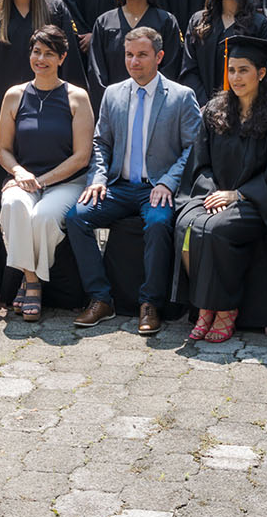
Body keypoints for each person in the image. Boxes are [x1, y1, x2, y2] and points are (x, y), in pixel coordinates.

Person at [67, 27, 202, 335]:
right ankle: (101, 299)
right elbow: (101, 143)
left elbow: (193, 148)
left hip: (156, 189)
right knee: (76, 218)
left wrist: (168, 182)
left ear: (159, 56)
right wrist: (98, 178)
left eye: (142, 55)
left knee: (157, 224)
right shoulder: (113, 94)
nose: (134, 62)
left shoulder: (181, 97)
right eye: (129, 55)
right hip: (118, 185)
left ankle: (151, 303)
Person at [176, 33, 267, 343]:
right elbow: (200, 163)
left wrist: (238, 194)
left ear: (262, 73)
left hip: (258, 202)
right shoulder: (215, 109)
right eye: (231, 70)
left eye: (244, 70)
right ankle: (205, 307)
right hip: (213, 195)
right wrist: (213, 191)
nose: (236, 77)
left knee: (215, 229)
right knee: (186, 225)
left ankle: (224, 309)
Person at [0, 25, 95, 321]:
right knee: (13, 205)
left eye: (49, 54)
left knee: (43, 217)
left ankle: (29, 282)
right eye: (36, 52)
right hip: (23, 177)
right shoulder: (14, 96)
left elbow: (82, 156)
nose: (41, 59)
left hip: (66, 181)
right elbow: (2, 150)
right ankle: (33, 279)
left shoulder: (77, 97)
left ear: (62, 57)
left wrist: (41, 181)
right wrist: (18, 171)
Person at [87, 0, 184, 103]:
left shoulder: (165, 21)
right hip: (115, 104)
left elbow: (171, 66)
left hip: (156, 103)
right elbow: (96, 70)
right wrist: (111, 102)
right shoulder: (105, 22)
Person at [183, 0, 267, 103]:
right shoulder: (199, 21)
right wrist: (206, 105)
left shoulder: (258, 24)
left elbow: (264, 71)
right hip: (202, 108)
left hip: (244, 108)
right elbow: (189, 69)